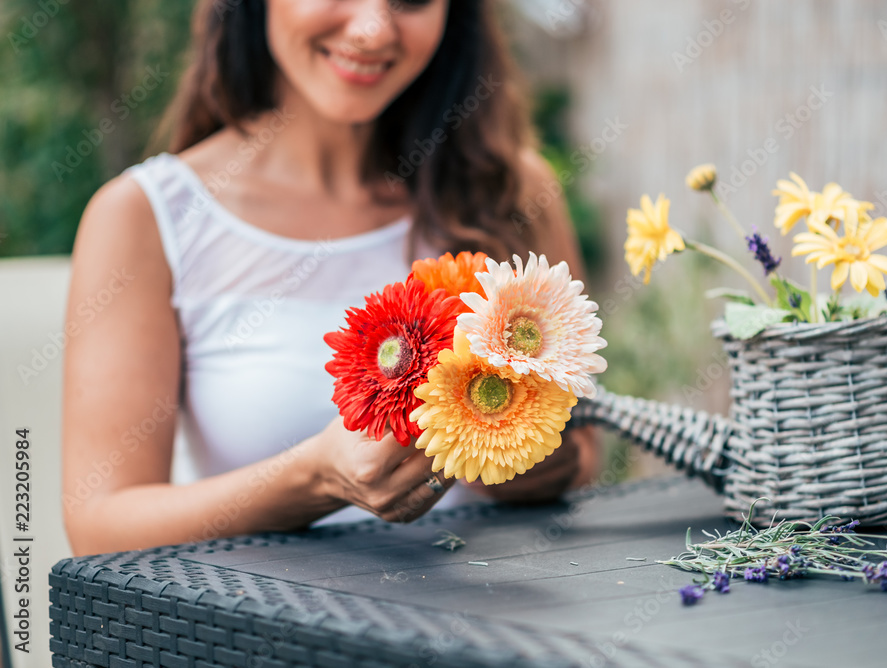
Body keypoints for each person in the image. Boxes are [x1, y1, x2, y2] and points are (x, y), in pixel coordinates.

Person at [61, 0, 600, 557]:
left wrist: (531, 462)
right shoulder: (148, 216)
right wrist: (314, 479)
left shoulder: (512, 191)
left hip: (492, 618)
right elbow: (100, 526)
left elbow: (583, 455)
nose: (371, 29)